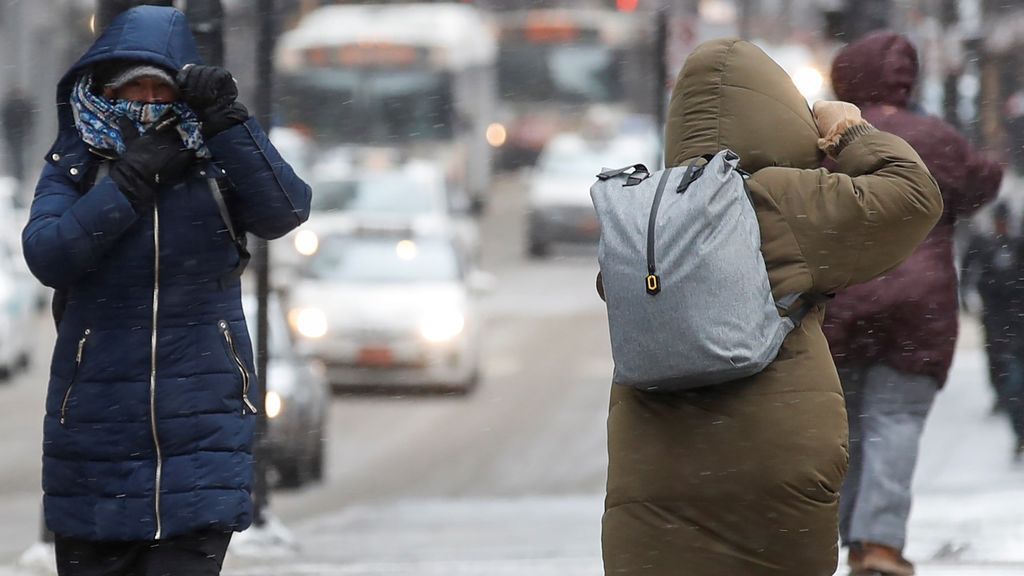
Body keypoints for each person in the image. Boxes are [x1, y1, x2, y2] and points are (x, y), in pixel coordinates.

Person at [600, 38, 942, 576]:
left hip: (651, 468)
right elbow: (914, 195)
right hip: (772, 462)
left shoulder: (648, 209)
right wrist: (849, 130)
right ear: (780, 116)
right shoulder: (782, 197)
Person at [21, 6, 311, 576]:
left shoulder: (215, 162)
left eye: (162, 87)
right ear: (102, 89)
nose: (148, 101)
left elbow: (285, 210)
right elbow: (49, 254)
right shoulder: (77, 164)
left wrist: (229, 121)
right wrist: (129, 181)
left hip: (201, 438)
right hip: (96, 443)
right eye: (133, 88)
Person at [823, 31, 1002, 576]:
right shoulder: (936, 137)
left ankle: (852, 538)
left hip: (843, 298)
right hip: (919, 302)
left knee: (846, 427)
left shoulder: (826, 136)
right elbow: (981, 182)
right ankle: (877, 542)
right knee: (895, 420)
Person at [963, 203, 1024, 459]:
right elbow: (970, 270)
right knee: (1001, 367)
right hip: (996, 316)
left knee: (1015, 378)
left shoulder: (1017, 245)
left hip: (1018, 318)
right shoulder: (984, 244)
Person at [2, 86, 35, 182]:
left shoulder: (10, 104)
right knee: (18, 154)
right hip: (19, 133)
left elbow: (5, 119)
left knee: (15, 153)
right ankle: (18, 172)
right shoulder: (21, 104)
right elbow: (29, 118)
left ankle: (15, 172)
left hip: (14, 133)